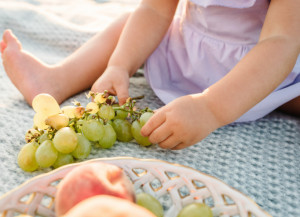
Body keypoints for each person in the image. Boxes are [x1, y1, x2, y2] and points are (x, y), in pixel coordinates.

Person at [0, 0, 299, 150]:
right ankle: (56, 79)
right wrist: (120, 65)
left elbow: (280, 43)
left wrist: (210, 108)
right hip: (186, 49)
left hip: (262, 67)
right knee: (130, 26)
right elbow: (155, 10)